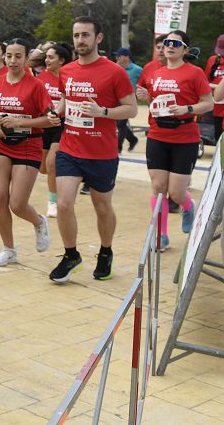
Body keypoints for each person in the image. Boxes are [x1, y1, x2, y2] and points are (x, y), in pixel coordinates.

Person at [49, 17, 137, 284]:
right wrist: (57, 112)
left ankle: (106, 251)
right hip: (70, 147)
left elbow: (131, 108)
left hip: (101, 152)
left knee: (102, 206)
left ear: (98, 38)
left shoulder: (114, 72)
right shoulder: (67, 70)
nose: (80, 41)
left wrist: (104, 112)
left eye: (85, 35)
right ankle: (70, 255)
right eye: (76, 36)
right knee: (63, 204)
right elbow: (66, 97)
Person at [0, 39, 56, 267]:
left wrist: (21, 121)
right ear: (4, 57)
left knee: (17, 203)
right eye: (9, 56)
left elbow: (51, 120)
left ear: (26, 58)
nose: (13, 61)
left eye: (18, 56)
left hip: (28, 145)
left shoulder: (36, 86)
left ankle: (39, 222)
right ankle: (9, 250)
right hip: (0, 144)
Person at [135, 30, 213, 250]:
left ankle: (188, 207)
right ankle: (161, 235)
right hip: (158, 134)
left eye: (175, 43)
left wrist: (186, 108)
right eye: (166, 42)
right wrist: (146, 97)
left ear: (185, 49)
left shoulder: (195, 73)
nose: (169, 46)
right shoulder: (155, 72)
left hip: (185, 136)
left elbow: (208, 103)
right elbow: (156, 101)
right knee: (158, 186)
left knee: (177, 192)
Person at [37, 43, 71, 218]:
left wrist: (57, 113)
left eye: (51, 57)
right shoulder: (40, 77)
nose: (47, 60)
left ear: (62, 60)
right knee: (43, 168)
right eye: (46, 57)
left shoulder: (69, 76)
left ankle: (52, 202)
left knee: (51, 163)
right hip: (45, 123)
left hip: (62, 123)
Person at [114, 48, 142, 152]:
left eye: (119, 56)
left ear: (126, 57)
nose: (116, 58)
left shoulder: (137, 69)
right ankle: (133, 139)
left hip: (129, 101)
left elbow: (145, 81)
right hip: (116, 100)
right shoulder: (116, 68)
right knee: (120, 124)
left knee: (121, 124)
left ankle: (118, 148)